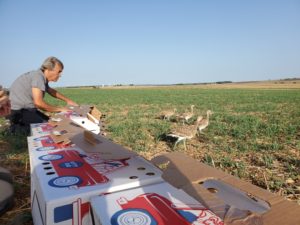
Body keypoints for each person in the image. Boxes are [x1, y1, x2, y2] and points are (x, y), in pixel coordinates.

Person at [9, 56, 78, 133]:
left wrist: (68, 101)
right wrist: (60, 109)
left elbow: (51, 91)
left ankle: (20, 124)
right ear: (48, 69)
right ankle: (15, 128)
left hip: (27, 109)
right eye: (59, 71)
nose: (60, 75)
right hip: (19, 111)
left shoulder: (40, 76)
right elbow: (39, 103)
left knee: (50, 122)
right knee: (48, 128)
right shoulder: (38, 77)